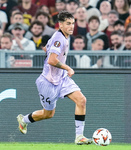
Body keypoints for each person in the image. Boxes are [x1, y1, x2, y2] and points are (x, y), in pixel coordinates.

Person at [16, 10, 93, 145]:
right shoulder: (59, 38)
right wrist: (68, 68)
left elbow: (46, 48)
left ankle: (79, 136)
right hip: (48, 82)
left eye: (73, 23)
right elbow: (52, 60)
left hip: (61, 78)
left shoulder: (60, 36)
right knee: (48, 114)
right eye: (68, 24)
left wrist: (48, 50)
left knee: (81, 100)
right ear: (60, 25)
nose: (71, 26)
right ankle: (24, 120)